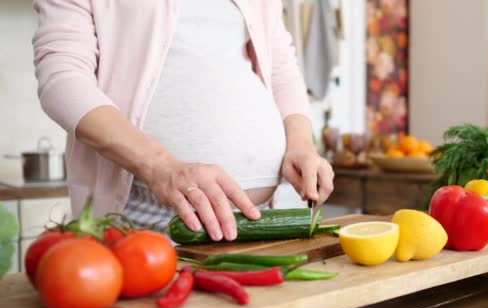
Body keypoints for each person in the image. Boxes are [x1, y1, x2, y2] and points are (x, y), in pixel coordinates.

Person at [32, 0, 334, 241]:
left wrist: (300, 143)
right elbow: (63, 81)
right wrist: (162, 167)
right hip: (144, 218)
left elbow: (281, 67)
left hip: (262, 217)